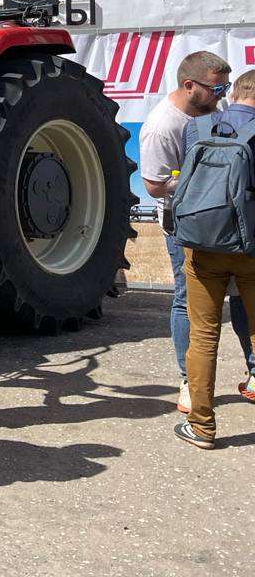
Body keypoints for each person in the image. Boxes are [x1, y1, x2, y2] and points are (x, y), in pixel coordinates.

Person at [139, 50, 253, 413]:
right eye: (216, 88)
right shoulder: (162, 126)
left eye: (224, 88)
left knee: (242, 296)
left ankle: (253, 372)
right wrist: (201, 183)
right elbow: (154, 186)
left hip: (234, 221)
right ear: (190, 86)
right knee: (188, 303)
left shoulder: (211, 112)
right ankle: (189, 382)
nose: (222, 96)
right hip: (186, 225)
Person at [173, 68, 255, 448]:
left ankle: (202, 427)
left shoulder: (199, 128)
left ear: (235, 91)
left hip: (203, 244)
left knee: (204, 336)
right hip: (252, 247)